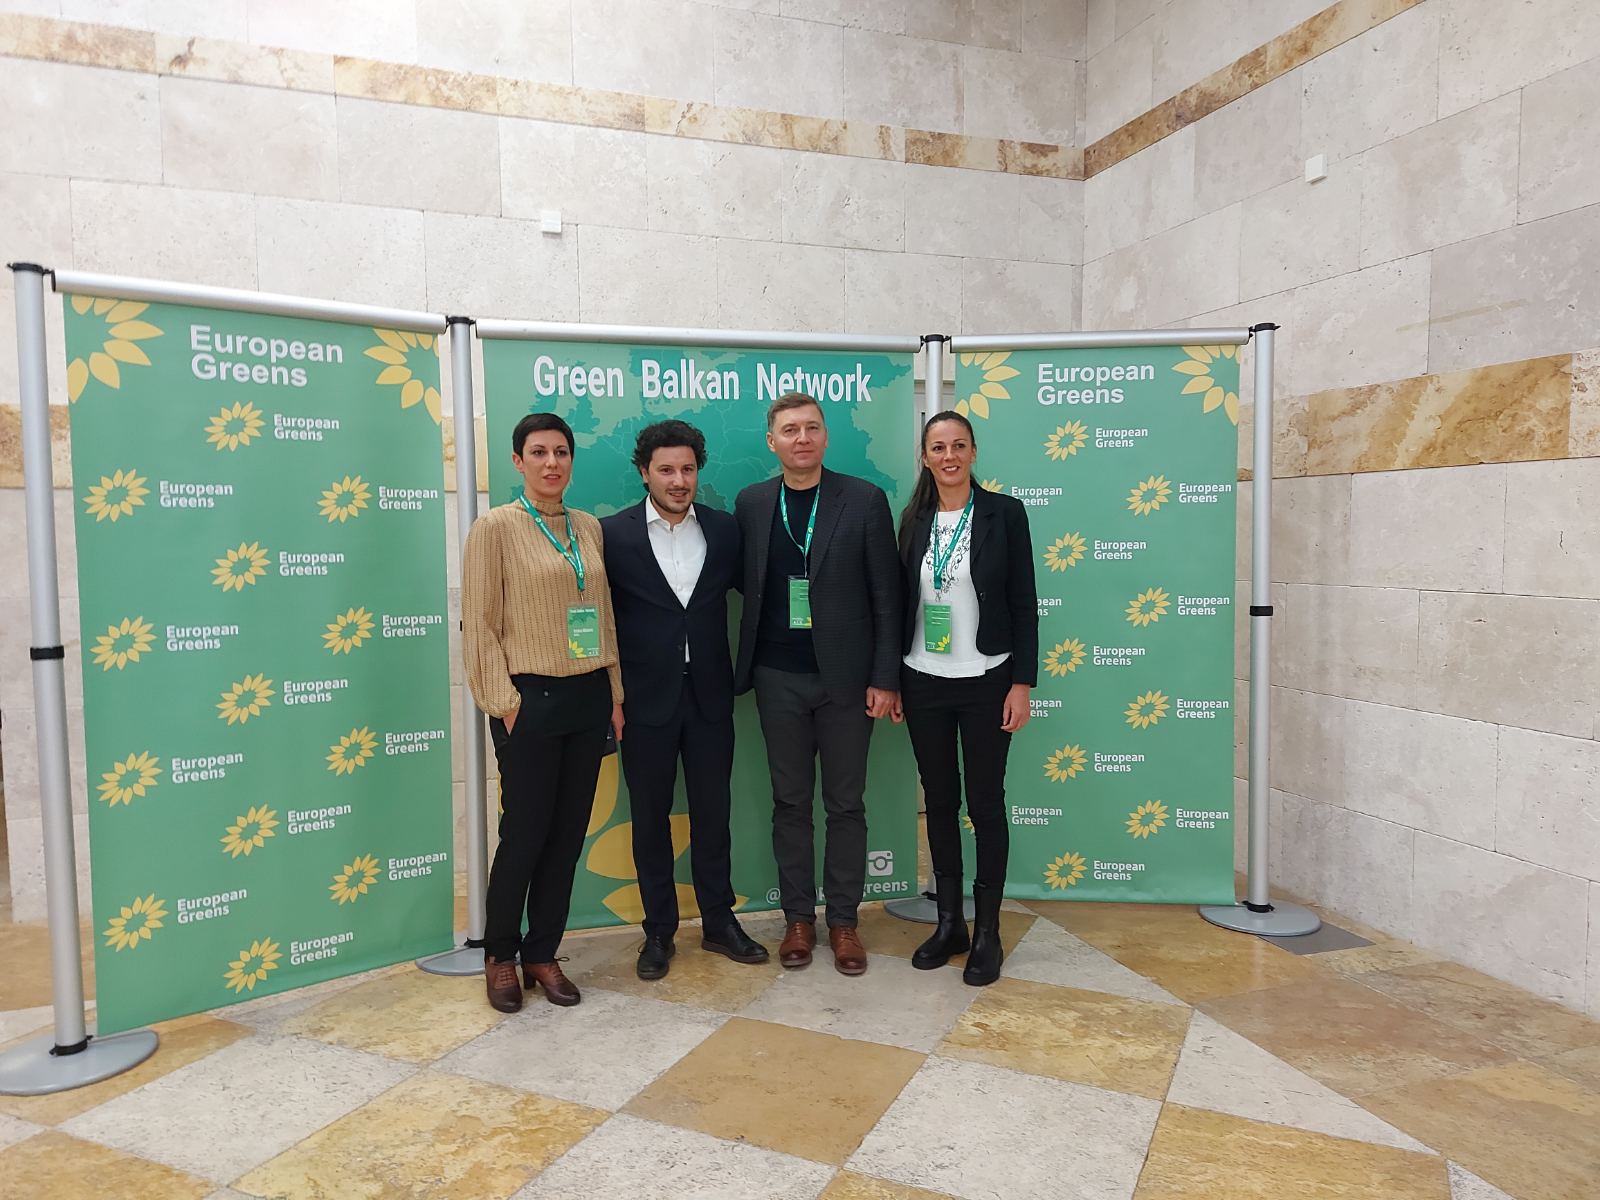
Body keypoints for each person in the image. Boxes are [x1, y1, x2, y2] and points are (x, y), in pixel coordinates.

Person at [461, 411, 624, 1013]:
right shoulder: (494, 528)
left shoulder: (587, 527)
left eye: (561, 452)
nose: (551, 463)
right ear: (517, 461)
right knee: (525, 833)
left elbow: (603, 614)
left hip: (588, 696)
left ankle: (542, 952)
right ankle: (500, 956)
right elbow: (478, 623)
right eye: (538, 452)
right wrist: (504, 704)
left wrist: (614, 694)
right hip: (529, 700)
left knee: (567, 834)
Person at [733, 391, 900, 976]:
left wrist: (885, 677)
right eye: (789, 430)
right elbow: (744, 581)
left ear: (826, 436)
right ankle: (798, 920)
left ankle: (845, 922)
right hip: (777, 676)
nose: (801, 439)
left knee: (846, 804)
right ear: (771, 442)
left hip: (848, 682)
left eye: (811, 428)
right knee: (790, 802)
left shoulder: (863, 499)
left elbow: (887, 595)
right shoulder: (753, 503)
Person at [602, 419, 768, 980]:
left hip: (710, 697)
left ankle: (719, 921)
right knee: (649, 820)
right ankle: (658, 931)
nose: (679, 480)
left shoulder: (724, 530)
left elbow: (761, 592)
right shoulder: (612, 535)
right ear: (644, 473)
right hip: (643, 702)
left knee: (713, 815)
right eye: (667, 470)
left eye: (688, 469)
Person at [893, 410, 1037, 986]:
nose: (948, 456)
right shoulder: (913, 519)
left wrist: (1022, 683)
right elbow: (899, 603)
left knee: (985, 803)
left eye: (958, 445)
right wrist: (891, 677)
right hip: (922, 677)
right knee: (940, 801)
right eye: (937, 447)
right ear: (925, 457)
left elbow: (1024, 600)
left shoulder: (1005, 513)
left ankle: (988, 933)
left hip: (988, 678)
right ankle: (949, 923)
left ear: (973, 452)